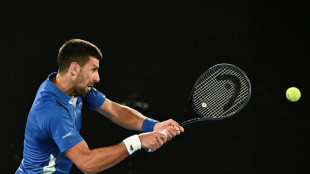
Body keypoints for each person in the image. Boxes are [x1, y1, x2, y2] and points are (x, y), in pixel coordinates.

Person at [16, 39, 184, 174]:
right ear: (74, 68)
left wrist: (153, 125)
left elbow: (114, 111)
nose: (97, 78)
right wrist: (137, 141)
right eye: (93, 70)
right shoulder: (52, 110)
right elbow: (87, 163)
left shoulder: (74, 87)